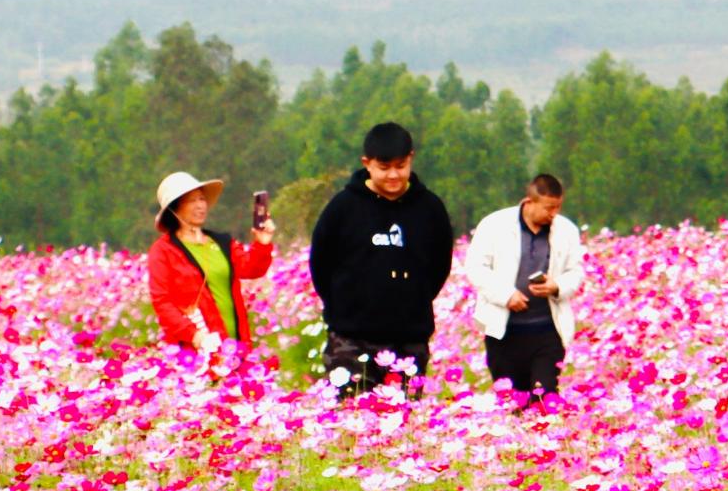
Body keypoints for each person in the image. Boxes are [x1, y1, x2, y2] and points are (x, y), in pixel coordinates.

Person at [308, 122, 454, 394]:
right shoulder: (342, 208)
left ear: (411, 159)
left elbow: (439, 266)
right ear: (367, 163)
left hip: (409, 339)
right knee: (352, 414)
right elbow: (321, 265)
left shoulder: (430, 208)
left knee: (404, 417)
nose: (393, 175)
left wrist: (413, 298)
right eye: (384, 167)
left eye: (400, 166)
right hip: (351, 339)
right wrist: (346, 305)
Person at [465, 173, 586, 406]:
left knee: (545, 398)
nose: (554, 214)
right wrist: (506, 296)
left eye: (558, 207)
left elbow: (576, 271)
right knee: (512, 402)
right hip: (504, 331)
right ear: (529, 202)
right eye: (549, 208)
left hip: (547, 330)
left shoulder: (566, 230)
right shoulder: (494, 225)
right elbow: (476, 268)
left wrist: (556, 286)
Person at [147, 171, 275, 369]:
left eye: (202, 199)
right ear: (174, 209)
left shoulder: (221, 242)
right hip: (195, 351)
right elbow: (162, 302)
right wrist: (195, 336)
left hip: (236, 344)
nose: (200, 205)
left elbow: (251, 269)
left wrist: (262, 243)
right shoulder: (163, 251)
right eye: (192, 201)